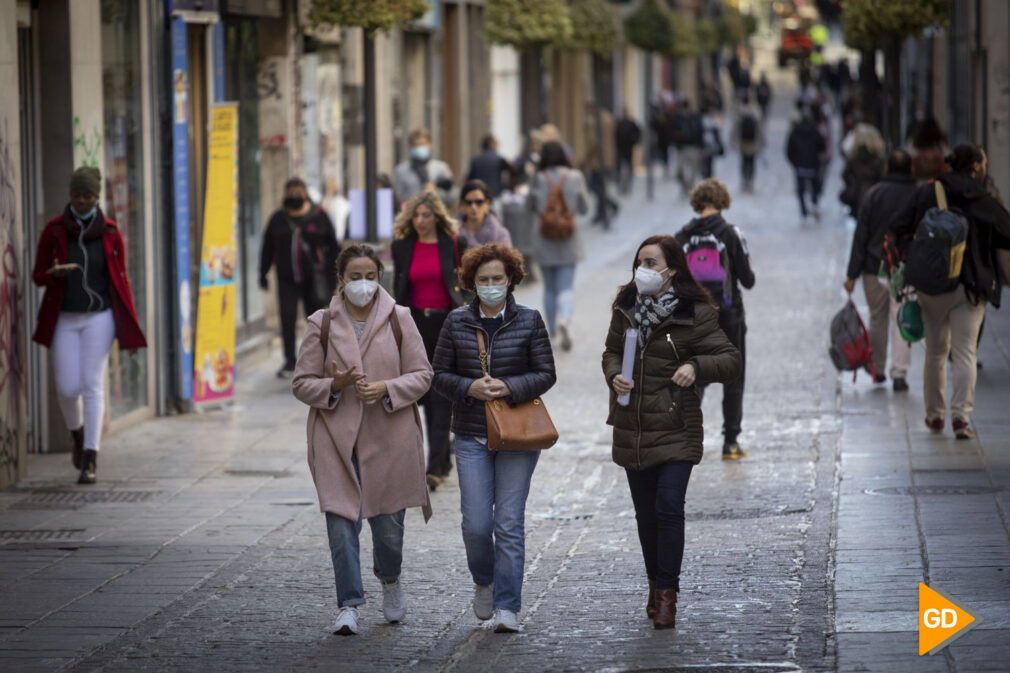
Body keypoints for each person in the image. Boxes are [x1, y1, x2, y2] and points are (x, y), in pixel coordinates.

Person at [292, 244, 433, 636]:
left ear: (380, 277)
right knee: (341, 525)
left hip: (389, 437)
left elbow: (423, 375)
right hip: (335, 439)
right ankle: (349, 603)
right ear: (341, 279)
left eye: (370, 276)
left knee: (388, 529)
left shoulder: (399, 319)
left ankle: (390, 578)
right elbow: (301, 383)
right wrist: (334, 385)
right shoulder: (321, 323)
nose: (363, 284)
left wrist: (387, 387)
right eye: (354, 276)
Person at [602, 235, 741, 629]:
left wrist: (696, 367)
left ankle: (668, 595)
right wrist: (614, 374)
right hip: (634, 427)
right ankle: (653, 584)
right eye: (640, 262)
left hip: (677, 426)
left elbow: (729, 359)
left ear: (672, 270)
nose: (643, 269)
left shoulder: (693, 312)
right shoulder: (625, 307)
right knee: (646, 515)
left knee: (668, 506)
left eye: (651, 262)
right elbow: (610, 351)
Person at [431, 243, 557, 633]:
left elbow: (545, 372)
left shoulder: (530, 320)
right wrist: (469, 387)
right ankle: (483, 580)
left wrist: (508, 386)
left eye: (497, 279)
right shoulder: (455, 322)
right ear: (471, 283)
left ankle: (507, 606)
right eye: (483, 280)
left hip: (518, 435)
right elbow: (438, 375)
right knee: (476, 524)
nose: (490, 286)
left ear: (511, 280)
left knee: (508, 522)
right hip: (470, 434)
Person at [32, 166, 147, 485]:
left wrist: (129, 325)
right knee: (68, 387)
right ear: (69, 196)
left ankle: (90, 459)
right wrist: (53, 274)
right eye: (76, 195)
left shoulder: (110, 232)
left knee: (92, 383)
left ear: (97, 198)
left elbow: (122, 279)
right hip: (64, 318)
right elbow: (36, 274)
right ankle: (77, 434)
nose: (82, 201)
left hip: (100, 317)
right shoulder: (54, 230)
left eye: (88, 196)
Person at [899, 144, 1010, 439]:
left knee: (935, 351)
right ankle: (961, 418)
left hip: (934, 285)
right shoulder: (982, 197)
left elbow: (897, 225)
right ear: (975, 167)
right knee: (965, 352)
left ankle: (935, 416)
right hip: (972, 286)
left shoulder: (930, 191)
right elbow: (1007, 231)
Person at [391, 191, 470, 489]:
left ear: (436, 216)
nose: (420, 221)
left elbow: (467, 282)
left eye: (426, 215)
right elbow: (399, 285)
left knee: (441, 394)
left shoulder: (454, 244)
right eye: (416, 215)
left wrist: (466, 309)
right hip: (413, 325)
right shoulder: (402, 246)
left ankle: (434, 468)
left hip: (446, 323)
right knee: (418, 394)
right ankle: (441, 457)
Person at [675, 179, 755, 459]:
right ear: (722, 201)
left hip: (694, 316)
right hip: (729, 315)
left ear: (697, 202)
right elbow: (748, 280)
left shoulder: (682, 237)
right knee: (733, 375)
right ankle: (730, 442)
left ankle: (687, 439)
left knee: (694, 375)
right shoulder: (731, 234)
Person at [844, 150, 918, 390]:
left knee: (877, 318)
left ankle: (877, 367)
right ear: (910, 169)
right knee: (902, 317)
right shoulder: (917, 195)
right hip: (904, 267)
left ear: (887, 169)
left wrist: (852, 275)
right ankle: (899, 373)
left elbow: (861, 236)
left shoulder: (874, 194)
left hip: (873, 267)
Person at [259, 178, 340, 378]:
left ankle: (319, 360)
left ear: (305, 194)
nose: (294, 195)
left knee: (316, 320)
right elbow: (267, 248)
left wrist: (333, 276)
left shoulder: (319, 216)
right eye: (290, 191)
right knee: (287, 319)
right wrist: (262, 273)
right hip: (286, 279)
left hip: (315, 280)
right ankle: (289, 361)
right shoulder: (278, 219)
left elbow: (334, 249)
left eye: (298, 191)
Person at [528, 140, 590, 352]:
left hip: (544, 238)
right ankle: (565, 319)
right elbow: (584, 207)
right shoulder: (575, 176)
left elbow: (530, 205)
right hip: (569, 237)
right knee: (566, 286)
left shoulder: (538, 178)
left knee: (549, 288)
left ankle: (553, 332)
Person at [394, 128, 455, 208]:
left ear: (430, 144)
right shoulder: (401, 170)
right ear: (410, 146)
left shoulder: (441, 168)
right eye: (415, 145)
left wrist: (436, 191)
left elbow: (453, 195)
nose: (419, 148)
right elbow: (398, 197)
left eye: (422, 144)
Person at [786, 106, 827, 223]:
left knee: (801, 190)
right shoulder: (815, 131)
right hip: (813, 165)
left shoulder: (795, 132)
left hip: (800, 166)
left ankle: (804, 211)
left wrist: (795, 163)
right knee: (814, 186)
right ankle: (814, 203)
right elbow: (822, 147)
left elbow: (789, 150)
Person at [582, 103, 619, 227]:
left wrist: (586, 157)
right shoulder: (608, 118)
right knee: (601, 186)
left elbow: (592, 142)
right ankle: (601, 213)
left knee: (594, 186)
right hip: (608, 159)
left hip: (597, 160)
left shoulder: (592, 122)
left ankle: (611, 205)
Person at [457, 179, 512, 248]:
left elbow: (506, 258)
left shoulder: (500, 235)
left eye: (479, 202)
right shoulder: (451, 233)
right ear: (463, 204)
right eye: (469, 202)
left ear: (487, 203)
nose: (473, 207)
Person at [731, 95, 763, 192]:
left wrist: (733, 141)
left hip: (743, 142)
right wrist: (761, 142)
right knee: (752, 162)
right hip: (753, 143)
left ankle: (745, 180)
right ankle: (750, 181)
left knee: (744, 162)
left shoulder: (739, 113)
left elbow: (735, 129)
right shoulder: (755, 112)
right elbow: (759, 129)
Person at [466, 135, 513, 199]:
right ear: (492, 144)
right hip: (495, 194)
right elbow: (512, 170)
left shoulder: (476, 160)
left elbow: (470, 179)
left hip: (480, 195)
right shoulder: (498, 159)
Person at [907, 117, 949, 183]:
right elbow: (947, 161)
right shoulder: (940, 144)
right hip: (937, 183)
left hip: (919, 182)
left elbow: (910, 161)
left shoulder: (914, 143)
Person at [615, 106, 642, 195]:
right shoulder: (619, 123)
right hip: (620, 148)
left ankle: (628, 185)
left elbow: (639, 132)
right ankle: (622, 186)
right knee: (621, 168)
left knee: (628, 167)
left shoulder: (631, 123)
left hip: (628, 148)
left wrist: (634, 141)